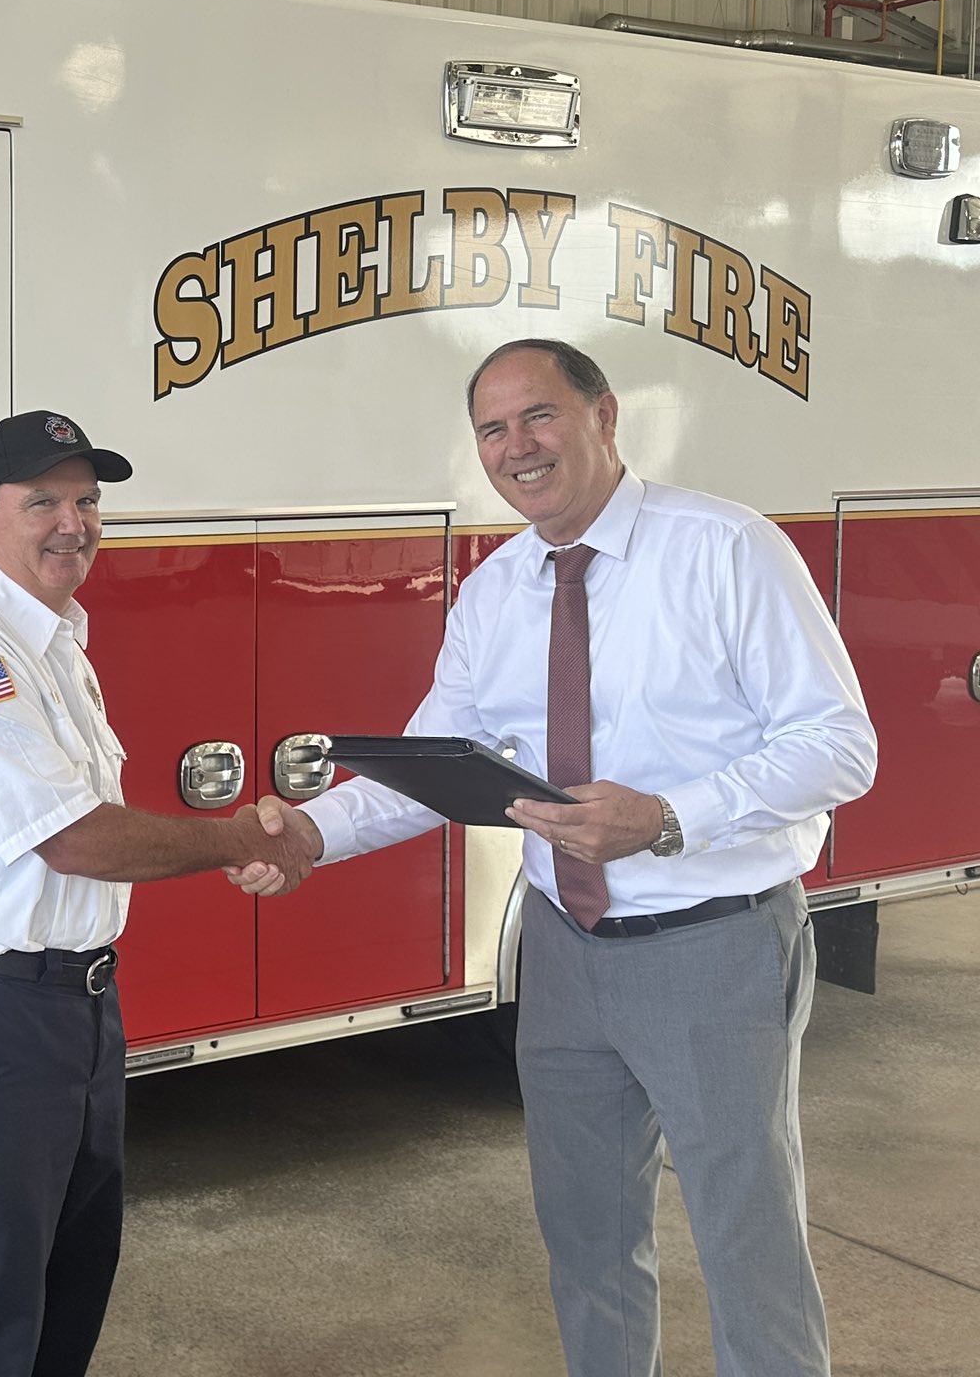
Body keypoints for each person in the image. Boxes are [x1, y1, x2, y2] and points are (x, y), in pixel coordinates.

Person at [248, 339, 875, 1377]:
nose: (514, 448)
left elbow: (838, 744)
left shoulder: (724, 548)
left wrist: (667, 817)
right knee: (585, 1237)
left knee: (743, 1240)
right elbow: (439, 762)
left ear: (602, 416)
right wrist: (310, 835)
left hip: (711, 949)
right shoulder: (494, 592)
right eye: (491, 430)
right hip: (564, 951)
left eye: (536, 416)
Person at [0, 409, 313, 1377]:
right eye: (41, 501)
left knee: (63, 1303)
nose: (70, 522)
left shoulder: (55, 644)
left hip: (73, 1014)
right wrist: (232, 838)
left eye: (86, 501)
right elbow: (71, 837)